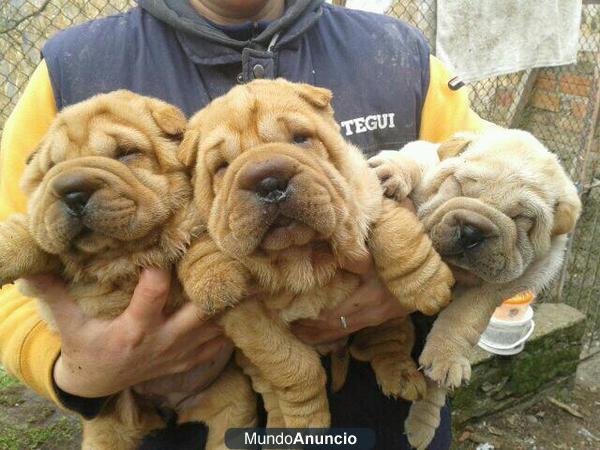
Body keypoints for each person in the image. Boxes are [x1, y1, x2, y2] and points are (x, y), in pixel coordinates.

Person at [0, 0, 485, 448]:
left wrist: (412, 277)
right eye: (218, 166)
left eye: (301, 140)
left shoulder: (401, 55)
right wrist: (72, 371)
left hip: (390, 423)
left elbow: (506, 200)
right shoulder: (68, 67)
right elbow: (15, 251)